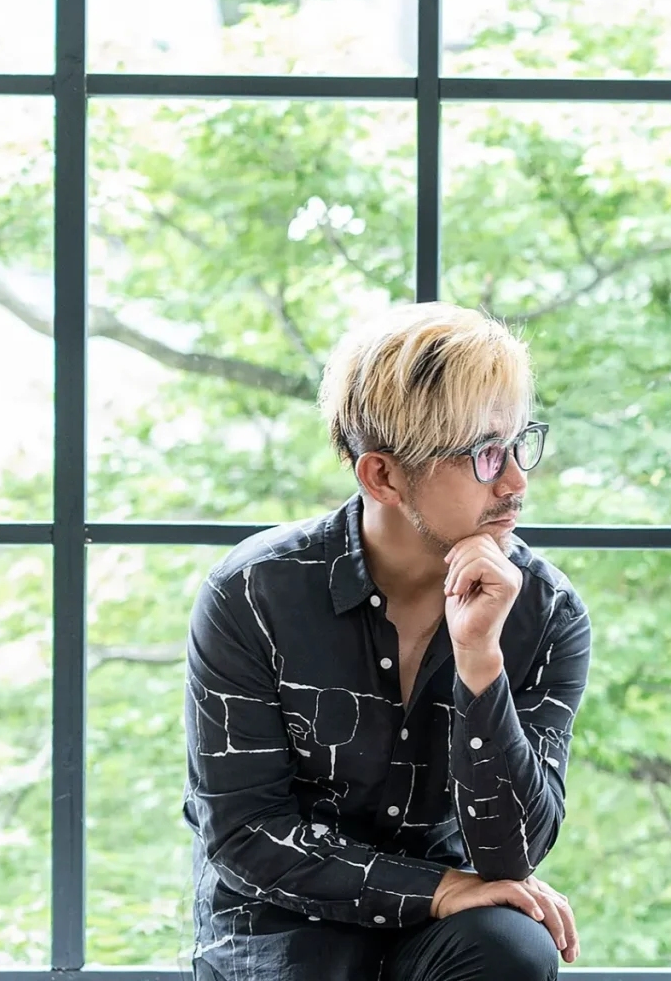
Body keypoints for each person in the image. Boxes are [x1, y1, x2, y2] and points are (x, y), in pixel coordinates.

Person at [183, 301, 592, 980]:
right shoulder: (253, 592)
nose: (518, 480)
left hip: (438, 933)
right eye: (486, 454)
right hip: (281, 924)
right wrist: (438, 889)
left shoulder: (545, 612)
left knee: (514, 948)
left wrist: (480, 662)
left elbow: (514, 853)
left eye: (521, 443)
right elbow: (245, 835)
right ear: (383, 476)